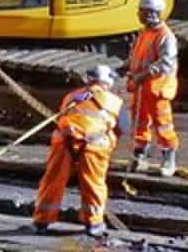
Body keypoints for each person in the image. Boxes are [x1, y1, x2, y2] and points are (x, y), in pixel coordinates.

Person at [33, 64, 129, 237]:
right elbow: (123, 127)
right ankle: (93, 224)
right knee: (94, 184)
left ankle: (42, 221)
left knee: (52, 181)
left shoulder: (72, 96)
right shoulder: (115, 101)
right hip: (94, 146)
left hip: (64, 142)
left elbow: (64, 116)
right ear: (108, 82)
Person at [126, 0, 179, 176]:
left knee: (162, 124)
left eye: (142, 11)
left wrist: (143, 75)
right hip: (142, 88)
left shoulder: (165, 36)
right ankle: (139, 156)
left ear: (152, 13)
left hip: (157, 88)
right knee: (140, 123)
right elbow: (137, 57)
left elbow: (165, 63)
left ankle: (169, 160)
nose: (139, 14)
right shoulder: (145, 33)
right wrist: (131, 72)